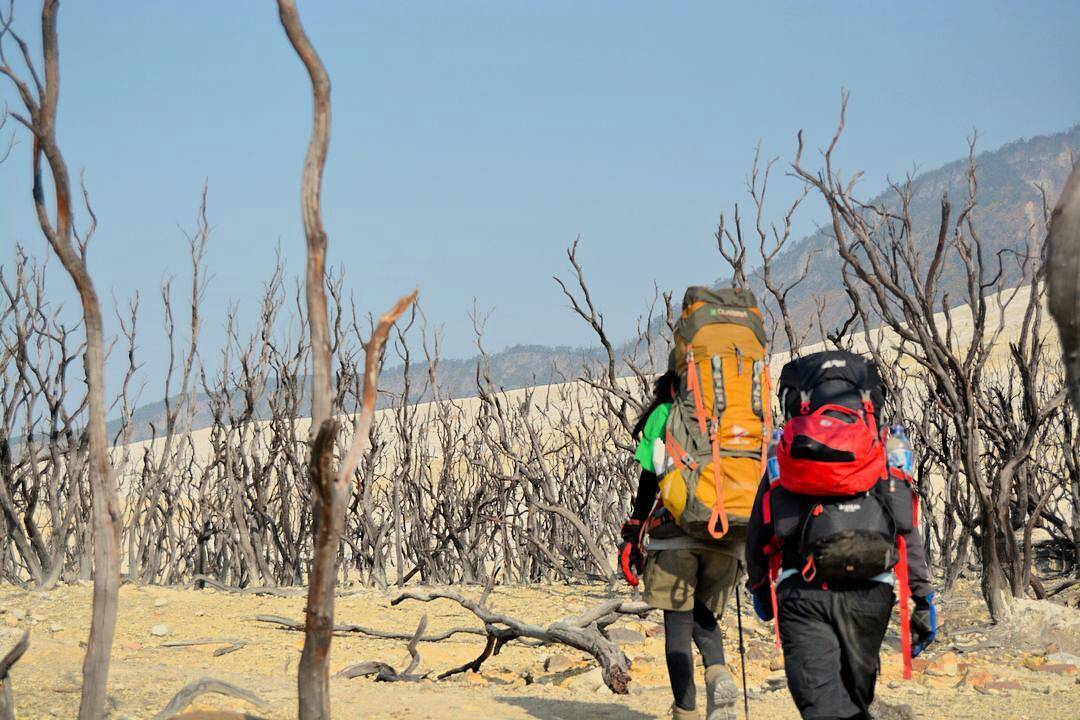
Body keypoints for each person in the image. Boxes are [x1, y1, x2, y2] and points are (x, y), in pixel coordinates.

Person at [744, 353, 938, 720]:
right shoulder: (883, 447)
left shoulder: (783, 450)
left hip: (802, 592)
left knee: (824, 703)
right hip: (871, 592)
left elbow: (759, 529)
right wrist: (924, 597)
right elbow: (905, 528)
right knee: (853, 699)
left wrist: (759, 589)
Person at [620, 370, 741, 720]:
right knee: (702, 613)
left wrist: (633, 531)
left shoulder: (664, 414)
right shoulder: (730, 414)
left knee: (677, 621)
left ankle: (685, 711)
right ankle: (717, 672)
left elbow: (648, 483)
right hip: (725, 533)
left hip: (674, 533)